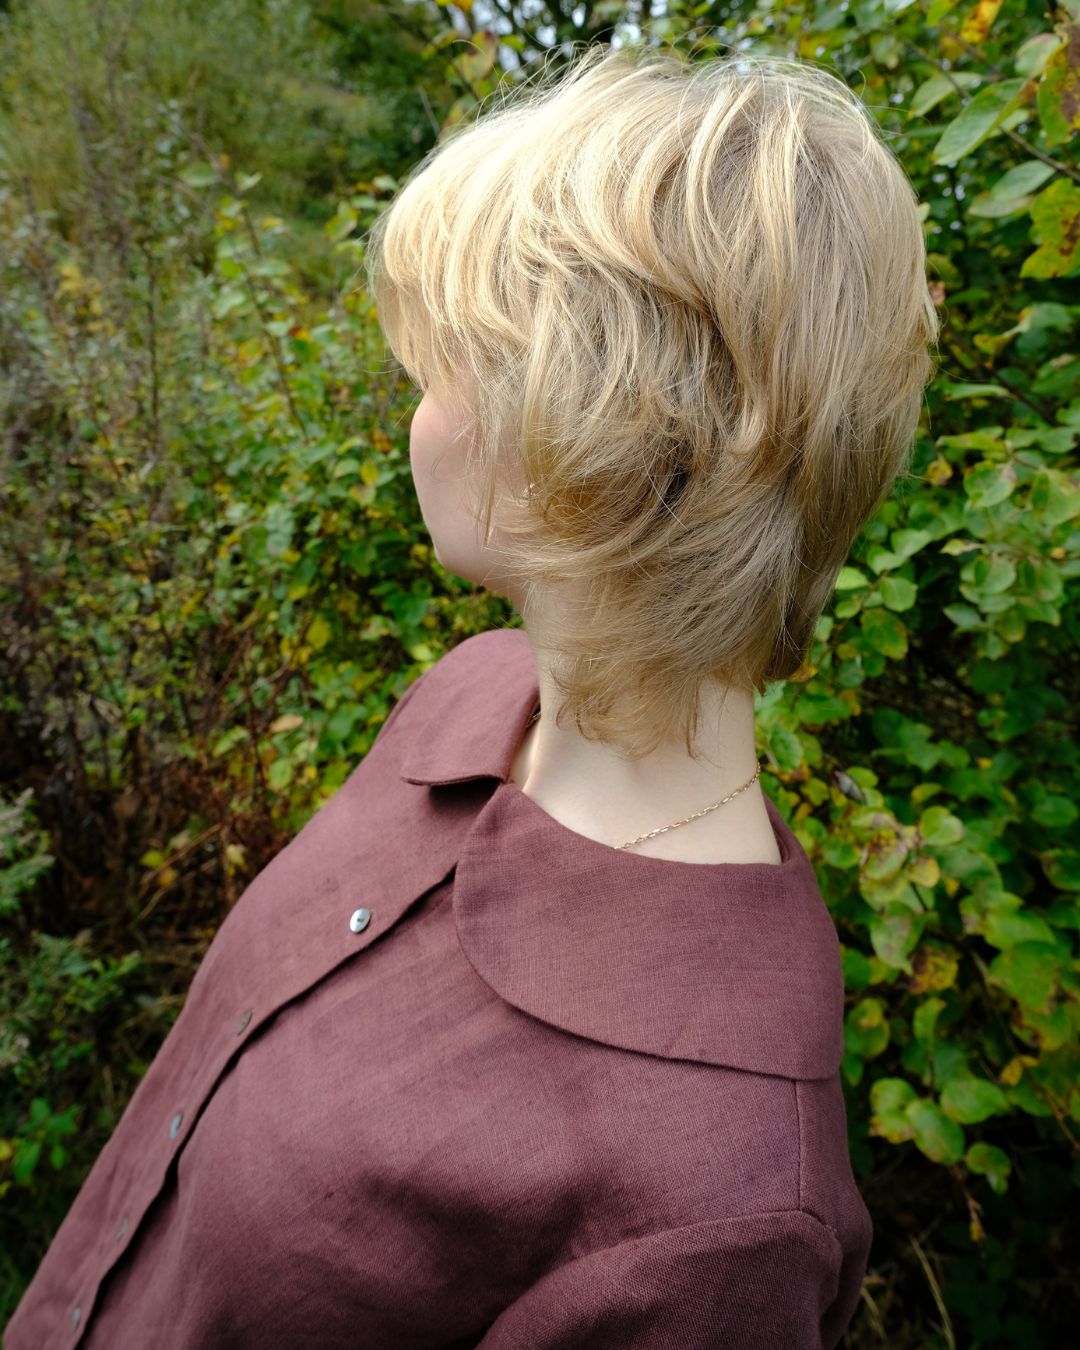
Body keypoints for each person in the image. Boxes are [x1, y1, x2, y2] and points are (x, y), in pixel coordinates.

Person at [6, 41, 938, 1349]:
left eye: (451, 365)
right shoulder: (470, 698)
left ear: (589, 435)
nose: (418, 407)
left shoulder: (717, 1209)